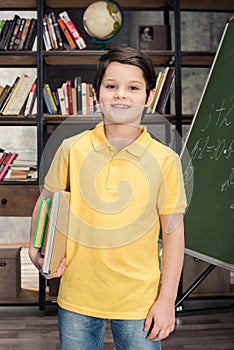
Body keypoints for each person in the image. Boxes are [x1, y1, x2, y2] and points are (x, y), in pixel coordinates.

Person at [29, 46, 187, 350]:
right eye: (111, 86)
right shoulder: (72, 148)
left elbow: (174, 232)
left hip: (140, 299)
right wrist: (36, 251)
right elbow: (46, 203)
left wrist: (167, 299)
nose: (121, 95)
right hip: (77, 295)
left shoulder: (165, 159)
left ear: (149, 97)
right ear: (96, 94)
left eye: (133, 88)